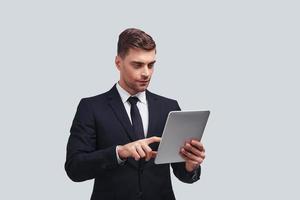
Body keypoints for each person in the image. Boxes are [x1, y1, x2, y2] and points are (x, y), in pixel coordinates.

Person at [65, 28, 206, 200]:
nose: (146, 73)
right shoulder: (91, 107)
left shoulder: (169, 107)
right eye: (137, 65)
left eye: (151, 64)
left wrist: (190, 165)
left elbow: (182, 173)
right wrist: (120, 152)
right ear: (118, 63)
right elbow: (75, 168)